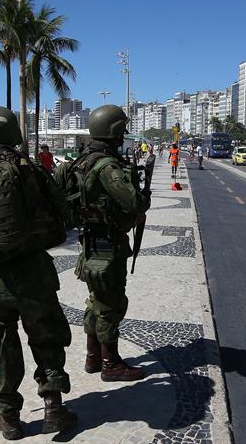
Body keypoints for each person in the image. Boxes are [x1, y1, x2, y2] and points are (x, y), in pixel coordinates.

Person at [0, 106, 77, 439]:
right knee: (46, 339)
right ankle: (54, 409)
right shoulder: (31, 170)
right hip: (35, 274)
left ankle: (8, 418)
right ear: (12, 134)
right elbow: (62, 214)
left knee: (0, 346)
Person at [72, 104, 151, 381]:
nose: (122, 138)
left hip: (92, 242)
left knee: (96, 302)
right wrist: (144, 198)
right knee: (111, 305)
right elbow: (133, 201)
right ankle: (110, 364)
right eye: (120, 133)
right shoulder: (106, 166)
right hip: (107, 246)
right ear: (113, 133)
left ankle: (93, 357)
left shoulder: (83, 160)